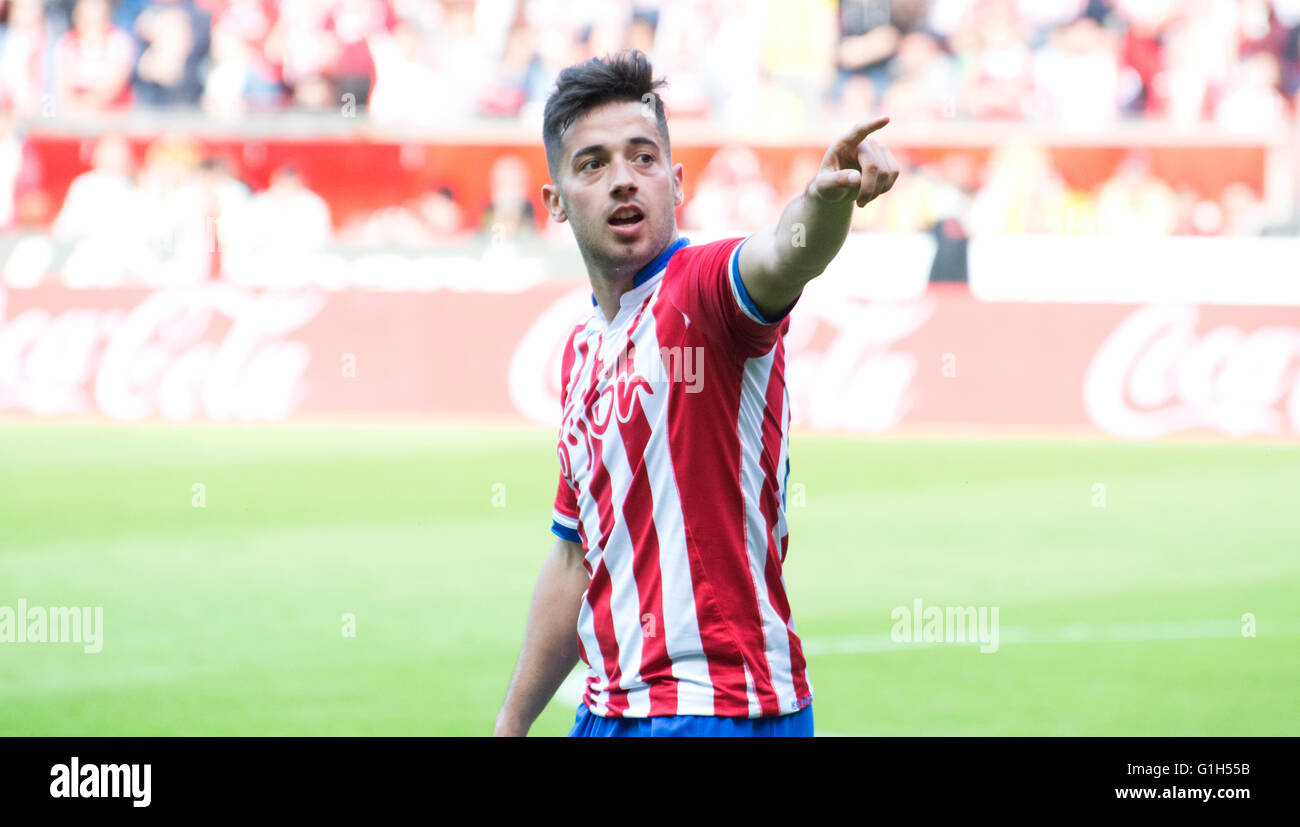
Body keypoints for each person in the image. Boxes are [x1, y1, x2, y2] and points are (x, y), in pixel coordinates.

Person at [493, 50, 898, 738]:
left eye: (643, 158)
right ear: (557, 201)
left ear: (675, 182)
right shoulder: (582, 351)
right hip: (609, 708)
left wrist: (825, 202)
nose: (624, 179)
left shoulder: (705, 290)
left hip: (718, 707)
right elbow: (573, 556)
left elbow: (784, 254)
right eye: (593, 163)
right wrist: (511, 723)